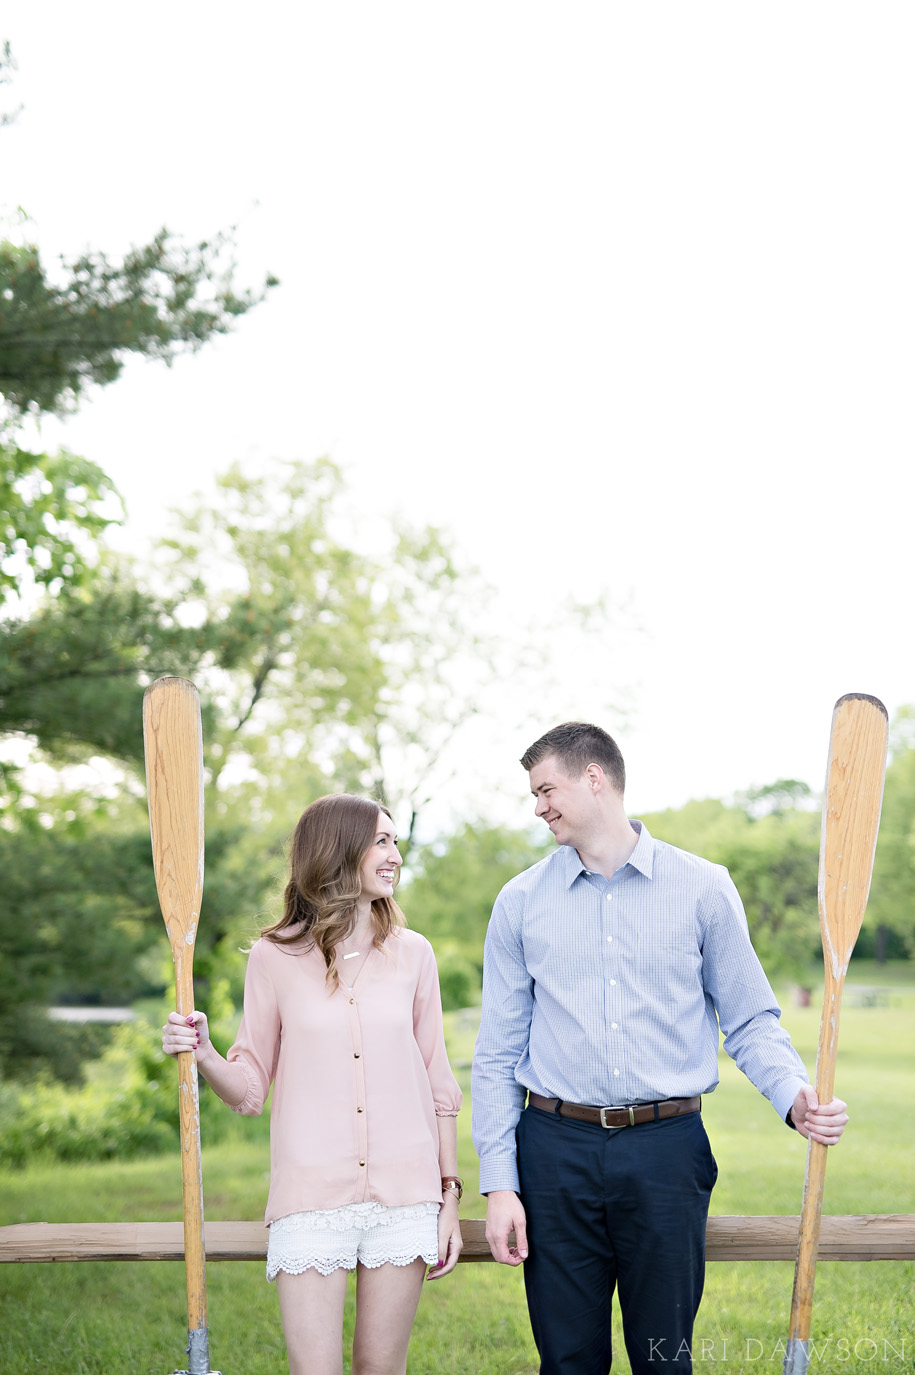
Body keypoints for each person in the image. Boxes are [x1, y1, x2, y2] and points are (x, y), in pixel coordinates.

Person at [471, 722, 849, 1375]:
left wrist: (795, 1097)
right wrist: (500, 1182)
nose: (538, 807)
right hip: (553, 1150)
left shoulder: (703, 886)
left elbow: (750, 1017)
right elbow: (497, 1051)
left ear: (594, 778)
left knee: (664, 1359)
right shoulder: (519, 901)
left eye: (545, 789)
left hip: (666, 1153)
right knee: (565, 1361)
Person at [163, 793, 463, 1375]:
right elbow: (250, 1089)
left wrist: (449, 1195)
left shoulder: (414, 955)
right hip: (310, 1202)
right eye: (381, 841)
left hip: (406, 1198)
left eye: (395, 841)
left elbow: (439, 1083)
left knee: (381, 1367)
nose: (394, 854)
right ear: (338, 851)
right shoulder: (273, 958)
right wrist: (203, 1052)